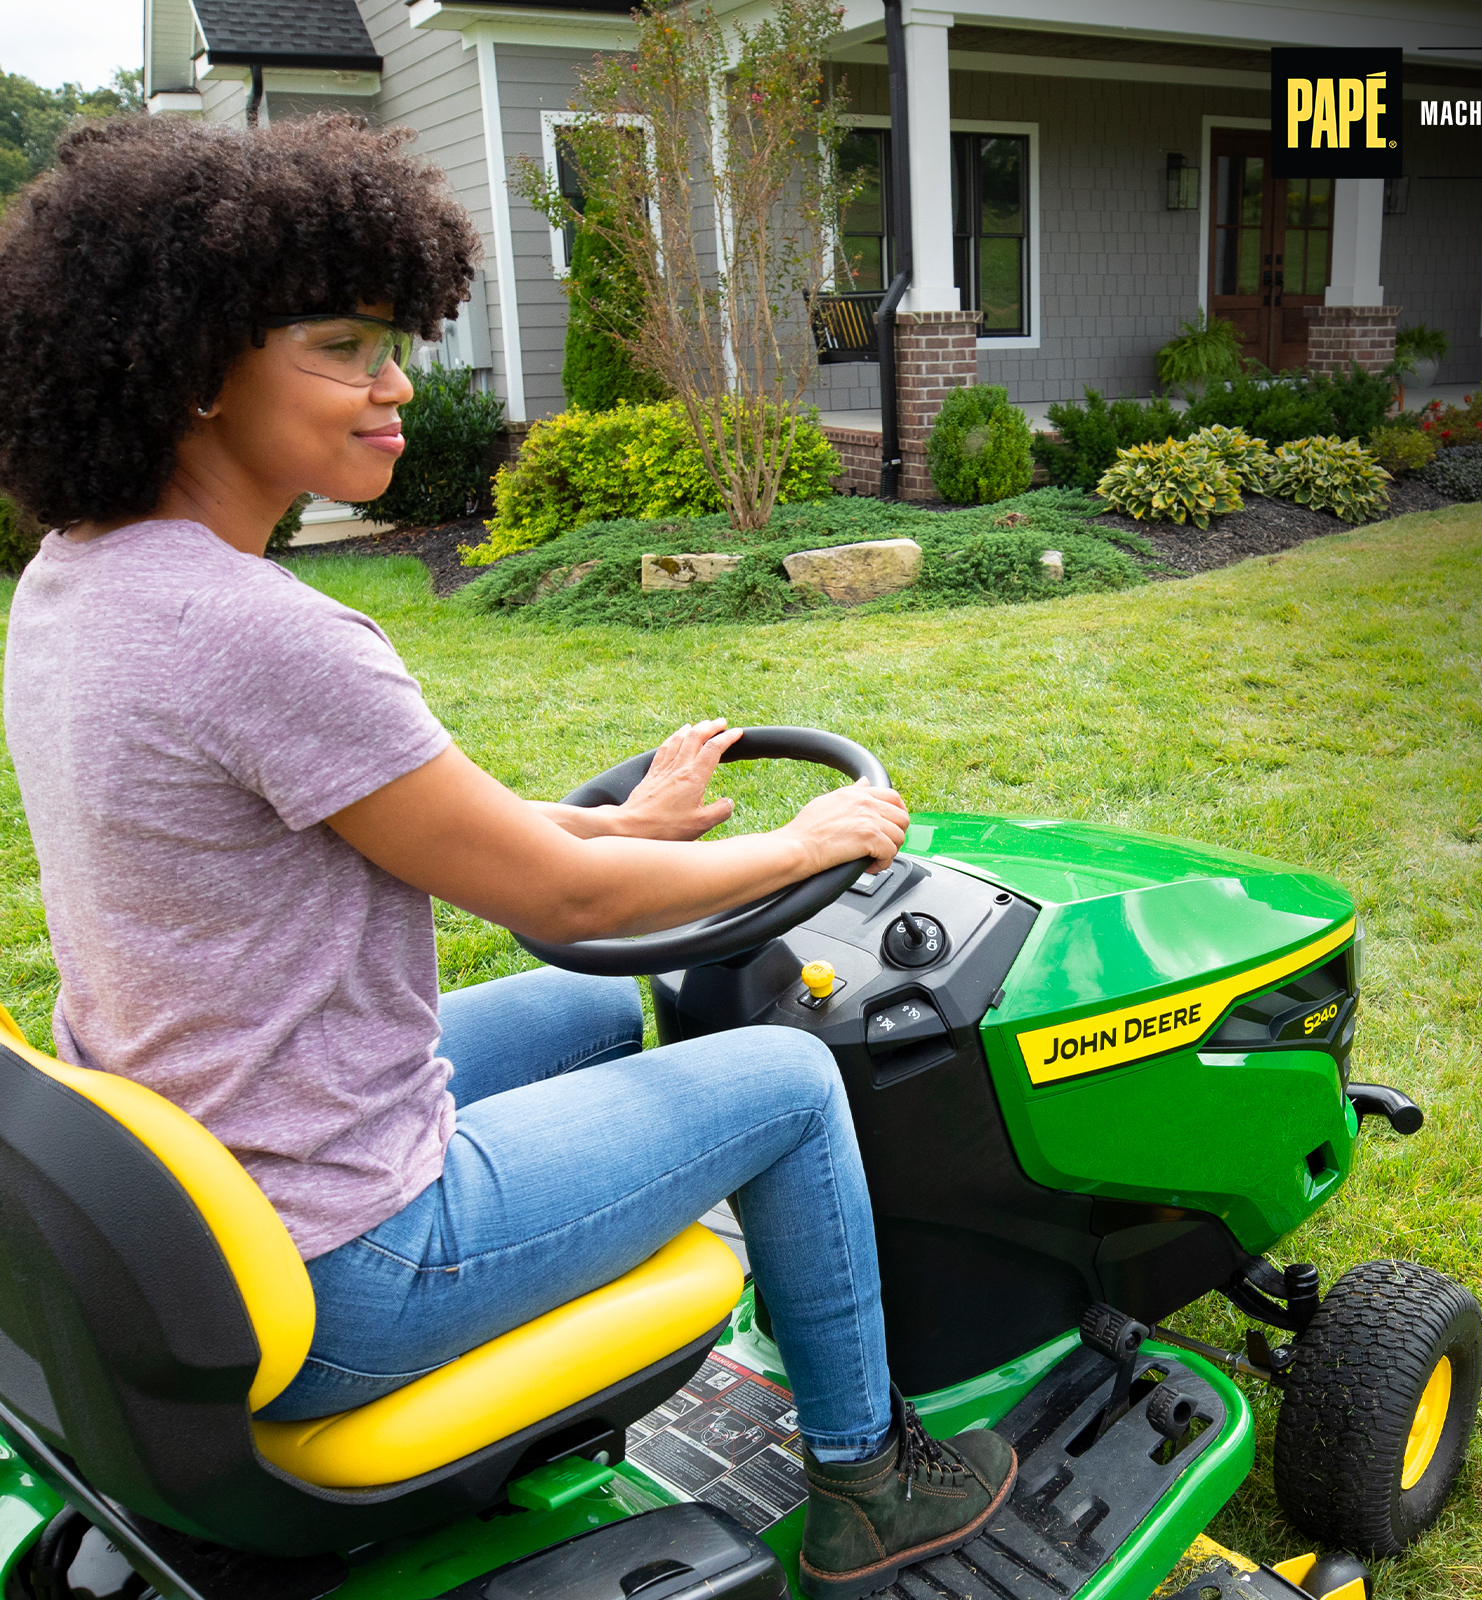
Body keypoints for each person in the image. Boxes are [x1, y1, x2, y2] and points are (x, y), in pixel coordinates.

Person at [0, 114, 1014, 1599]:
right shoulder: (271, 636)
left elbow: (416, 819)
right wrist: (806, 839)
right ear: (197, 366)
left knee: (604, 1011)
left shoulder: (81, 585)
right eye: (341, 346)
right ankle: (871, 1479)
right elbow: (559, 899)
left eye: (392, 341)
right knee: (792, 1082)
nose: (397, 382)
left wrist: (632, 822)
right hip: (352, 1258)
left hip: (218, 1157)